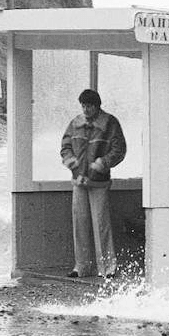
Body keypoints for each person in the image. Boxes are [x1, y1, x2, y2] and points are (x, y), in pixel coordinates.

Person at [60, 89, 126, 278]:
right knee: (79, 224)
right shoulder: (75, 123)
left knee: (101, 224)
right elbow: (65, 146)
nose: (86, 109)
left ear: (97, 106)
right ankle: (82, 267)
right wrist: (70, 160)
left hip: (98, 181)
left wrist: (103, 163)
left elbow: (119, 149)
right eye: (83, 105)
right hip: (79, 181)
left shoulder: (110, 123)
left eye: (89, 106)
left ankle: (107, 268)